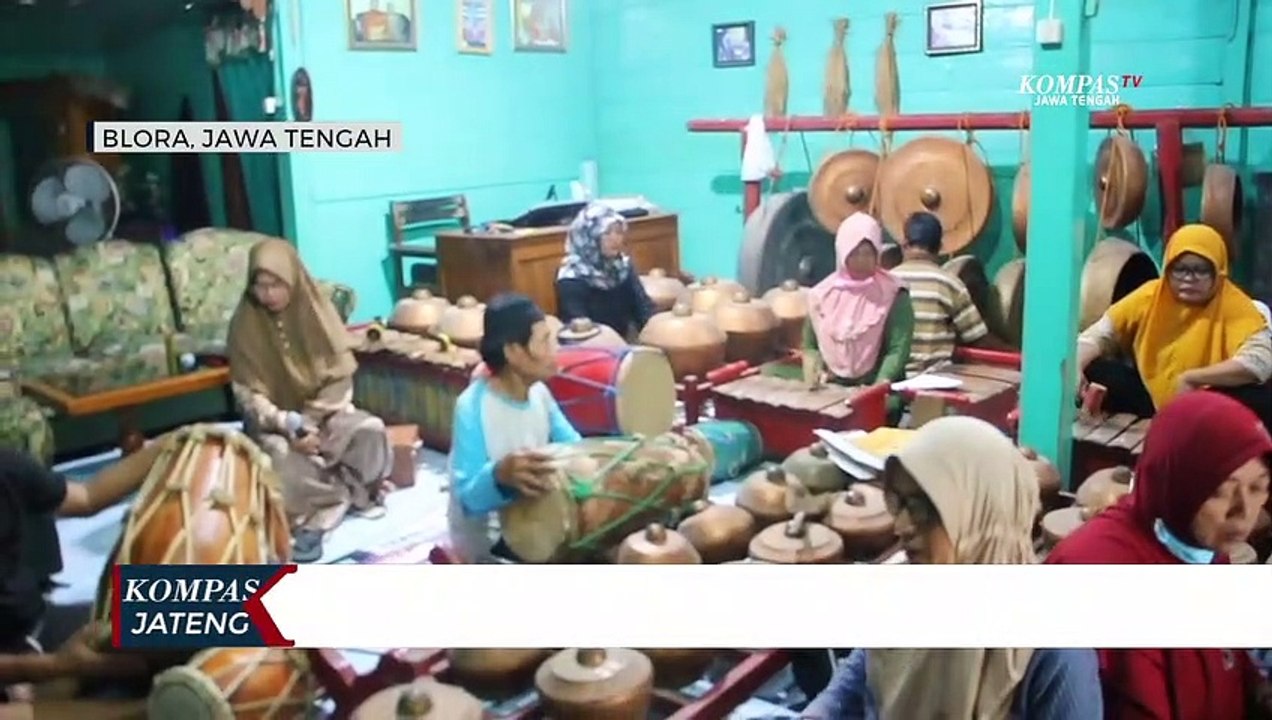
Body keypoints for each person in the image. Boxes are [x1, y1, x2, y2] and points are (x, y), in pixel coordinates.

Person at [802, 416, 1102, 719]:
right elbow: (850, 688)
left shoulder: (1056, 653)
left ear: (982, 515)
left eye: (923, 508)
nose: (902, 526)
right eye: (899, 503)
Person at [1046, 391, 1272, 719]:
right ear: (1175, 481)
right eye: (1221, 491)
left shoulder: (1199, 547)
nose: (1243, 513)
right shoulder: (1100, 574)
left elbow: (1230, 666)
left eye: (1258, 488)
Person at [227, 239, 391, 564]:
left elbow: (340, 379)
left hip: (325, 417)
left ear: (293, 279)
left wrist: (311, 422)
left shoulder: (317, 310)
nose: (268, 294)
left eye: (276, 285)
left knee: (371, 431)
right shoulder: (245, 324)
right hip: (275, 426)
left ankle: (337, 492)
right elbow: (248, 394)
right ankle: (335, 501)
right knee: (279, 461)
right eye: (260, 286)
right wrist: (288, 424)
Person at [1076, 224, 1271, 427]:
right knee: (1094, 368)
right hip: (1151, 400)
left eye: (1201, 270)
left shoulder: (1237, 306)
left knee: (1259, 399)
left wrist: (1193, 379)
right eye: (1180, 269)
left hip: (1208, 401)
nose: (1189, 278)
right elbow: (1096, 336)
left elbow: (1259, 362)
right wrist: (1077, 367)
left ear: (1218, 272)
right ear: (1168, 269)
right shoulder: (1149, 296)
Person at [0, 445, 162, 686]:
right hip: (20, 664)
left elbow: (86, 495)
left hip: (37, 625)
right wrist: (55, 666)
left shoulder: (7, 467)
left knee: (219, 607)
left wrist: (169, 444)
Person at [447, 293, 582, 563]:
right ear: (513, 352)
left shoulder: (540, 393)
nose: (554, 351)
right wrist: (498, 475)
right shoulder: (471, 406)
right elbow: (468, 500)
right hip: (494, 543)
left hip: (537, 520)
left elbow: (575, 448)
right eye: (544, 341)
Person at [798, 212, 913, 421]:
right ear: (842, 253)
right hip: (831, 393)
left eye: (868, 253)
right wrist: (812, 367)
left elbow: (898, 348)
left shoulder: (894, 294)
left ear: (877, 253)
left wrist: (876, 389)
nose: (861, 261)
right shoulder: (821, 295)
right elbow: (810, 343)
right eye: (854, 254)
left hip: (880, 396)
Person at [890, 211, 1014, 375]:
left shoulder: (886, 282)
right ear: (940, 247)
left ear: (904, 243)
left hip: (891, 380)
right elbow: (978, 338)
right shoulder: (949, 284)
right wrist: (1019, 354)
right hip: (932, 382)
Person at [554, 203, 656, 338]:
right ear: (589, 236)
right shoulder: (571, 277)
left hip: (623, 344)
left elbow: (643, 310)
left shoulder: (622, 266)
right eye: (607, 233)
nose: (615, 239)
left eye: (619, 232)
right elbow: (579, 329)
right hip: (589, 348)